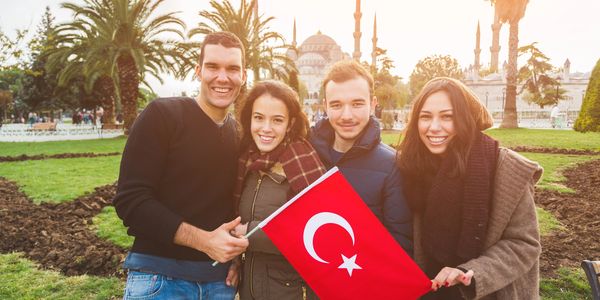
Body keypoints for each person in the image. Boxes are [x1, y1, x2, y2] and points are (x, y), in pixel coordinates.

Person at [113, 31, 249, 300]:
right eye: (212, 67)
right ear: (198, 71)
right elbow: (131, 202)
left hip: (219, 283)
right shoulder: (162, 116)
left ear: (243, 76)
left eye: (233, 68)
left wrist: (236, 257)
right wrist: (205, 242)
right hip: (160, 280)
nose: (223, 77)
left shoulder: (241, 136)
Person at [397, 77, 542, 299]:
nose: (434, 127)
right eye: (425, 117)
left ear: (465, 120)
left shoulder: (506, 169)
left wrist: (470, 272)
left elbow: (524, 244)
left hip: (488, 291)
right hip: (431, 288)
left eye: (447, 117)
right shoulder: (413, 166)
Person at [231, 80, 326, 300]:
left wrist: (252, 233)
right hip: (250, 289)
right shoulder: (246, 162)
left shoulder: (302, 162)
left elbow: (319, 232)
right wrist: (235, 259)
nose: (266, 128)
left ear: (290, 124)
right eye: (259, 118)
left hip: (290, 290)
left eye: (277, 120)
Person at [308, 60, 413, 253]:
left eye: (357, 104)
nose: (346, 115)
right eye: (337, 105)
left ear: (373, 105)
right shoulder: (306, 154)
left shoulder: (392, 166)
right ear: (325, 106)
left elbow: (400, 244)